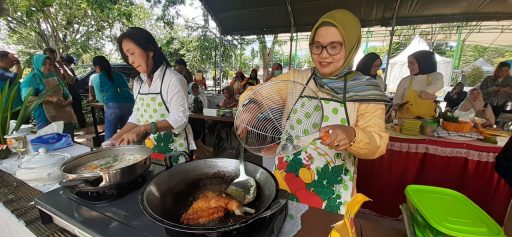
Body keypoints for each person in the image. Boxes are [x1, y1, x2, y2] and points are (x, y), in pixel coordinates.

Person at [238, 9, 389, 214]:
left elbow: (377, 143)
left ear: (352, 46)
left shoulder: (365, 91)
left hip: (332, 194)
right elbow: (256, 93)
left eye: (334, 46)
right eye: (317, 46)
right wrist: (251, 107)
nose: (323, 54)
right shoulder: (297, 79)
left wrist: (352, 134)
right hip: (286, 183)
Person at [110, 27, 195, 165]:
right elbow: (137, 116)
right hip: (148, 149)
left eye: (132, 53)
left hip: (173, 150)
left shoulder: (173, 79)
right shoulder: (139, 82)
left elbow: (180, 118)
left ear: (150, 50)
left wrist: (143, 128)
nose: (130, 60)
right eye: (127, 56)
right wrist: (116, 137)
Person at [20, 54, 75, 139]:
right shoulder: (31, 79)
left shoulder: (54, 76)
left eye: (50, 64)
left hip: (63, 113)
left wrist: (69, 100)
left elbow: (66, 93)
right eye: (44, 64)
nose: (48, 66)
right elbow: (27, 98)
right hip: (44, 117)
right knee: (49, 143)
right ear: (37, 64)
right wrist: (50, 98)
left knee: (68, 141)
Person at [92, 56, 135, 140]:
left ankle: (109, 151)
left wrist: (105, 102)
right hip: (130, 104)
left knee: (110, 136)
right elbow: (127, 90)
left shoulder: (98, 77)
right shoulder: (120, 75)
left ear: (97, 66)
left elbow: (99, 97)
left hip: (113, 106)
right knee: (127, 133)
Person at [393, 50, 443, 119]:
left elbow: (439, 83)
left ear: (423, 63)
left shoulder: (434, 76)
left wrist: (427, 92)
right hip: (405, 121)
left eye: (412, 63)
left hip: (426, 123)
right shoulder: (405, 80)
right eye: (408, 63)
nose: (408, 66)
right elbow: (397, 100)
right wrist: (397, 106)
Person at [60, 54, 86, 129]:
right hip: (64, 95)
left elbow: (73, 81)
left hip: (73, 94)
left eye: (69, 64)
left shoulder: (69, 70)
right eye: (67, 63)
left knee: (79, 112)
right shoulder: (56, 70)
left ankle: (83, 128)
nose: (68, 65)